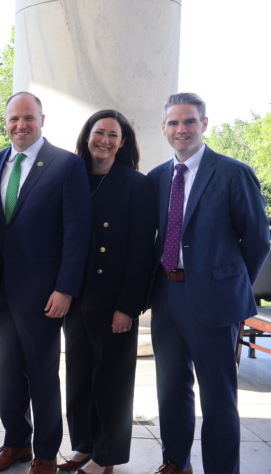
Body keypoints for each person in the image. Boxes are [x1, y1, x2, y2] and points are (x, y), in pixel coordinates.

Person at [147, 93, 268, 474]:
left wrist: (230, 284)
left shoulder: (232, 172)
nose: (181, 129)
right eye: (173, 123)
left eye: (188, 122)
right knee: (171, 391)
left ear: (204, 124)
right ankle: (175, 462)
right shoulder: (157, 177)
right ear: (164, 128)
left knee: (218, 398)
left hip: (216, 302)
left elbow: (258, 239)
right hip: (167, 296)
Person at [0, 92, 92, 474]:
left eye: (28, 118)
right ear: (5, 122)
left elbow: (77, 233)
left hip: (44, 294)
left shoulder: (66, 165)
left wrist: (66, 289)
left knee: (43, 375)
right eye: (13, 119)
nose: (20, 126)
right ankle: (15, 443)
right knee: (5, 371)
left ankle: (45, 451)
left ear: (42, 119)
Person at [58, 111, 156, 474]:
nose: (105, 140)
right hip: (77, 296)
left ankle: (107, 455)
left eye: (113, 135)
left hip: (114, 300)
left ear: (123, 141)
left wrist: (128, 307)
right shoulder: (73, 176)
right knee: (79, 376)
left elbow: (142, 251)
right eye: (99, 132)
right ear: (87, 136)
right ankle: (83, 445)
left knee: (112, 381)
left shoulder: (136, 184)